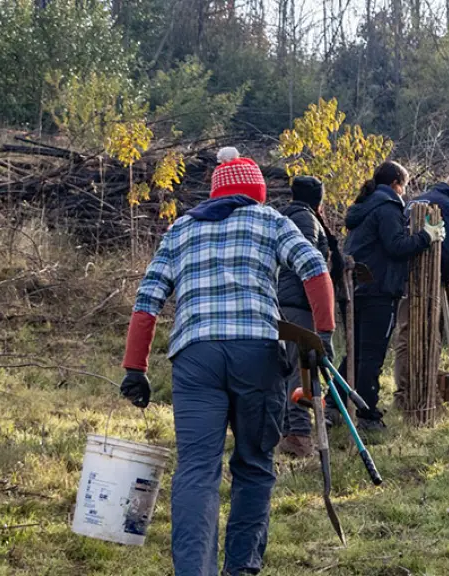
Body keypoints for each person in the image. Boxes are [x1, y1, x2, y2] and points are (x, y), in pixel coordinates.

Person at [118, 147, 336, 576]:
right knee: (254, 465)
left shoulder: (181, 229)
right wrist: (321, 336)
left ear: (214, 195)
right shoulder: (270, 219)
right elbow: (314, 267)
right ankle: (241, 569)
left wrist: (134, 368)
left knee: (197, 470)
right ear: (255, 193)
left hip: (196, 357)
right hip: (256, 354)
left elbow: (147, 303)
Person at [338, 161, 444, 430]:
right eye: (405, 186)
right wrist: (427, 236)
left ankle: (332, 405)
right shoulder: (387, 207)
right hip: (379, 289)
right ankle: (367, 414)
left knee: (355, 352)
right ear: (397, 182)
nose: (405, 192)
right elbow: (396, 246)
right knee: (371, 355)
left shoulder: (364, 207)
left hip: (356, 288)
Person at [392, 171, 449, 409]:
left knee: (405, 334)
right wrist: (446, 275)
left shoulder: (414, 200)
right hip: (429, 280)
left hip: (406, 277)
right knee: (430, 335)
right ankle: (424, 392)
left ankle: (403, 391)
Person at [277, 176, 336, 458]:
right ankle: (299, 436)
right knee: (303, 369)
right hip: (299, 303)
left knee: (290, 368)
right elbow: (308, 262)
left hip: (288, 301)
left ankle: (289, 432)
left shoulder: (288, 215)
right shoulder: (304, 219)